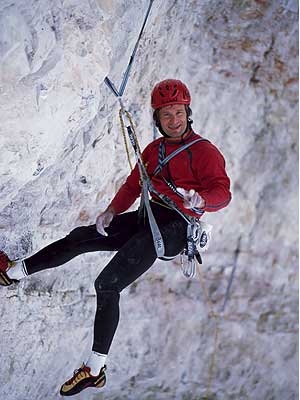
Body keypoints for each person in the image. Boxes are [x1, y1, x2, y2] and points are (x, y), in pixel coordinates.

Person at [0, 79, 231, 396]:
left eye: (178, 112)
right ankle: (12, 272)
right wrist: (111, 211)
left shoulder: (204, 152)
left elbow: (222, 191)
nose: (173, 120)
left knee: (107, 284)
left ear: (188, 113)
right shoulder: (154, 150)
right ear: (157, 119)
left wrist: (202, 201)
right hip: (147, 219)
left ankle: (94, 369)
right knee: (80, 237)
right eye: (166, 115)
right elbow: (134, 185)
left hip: (173, 230)